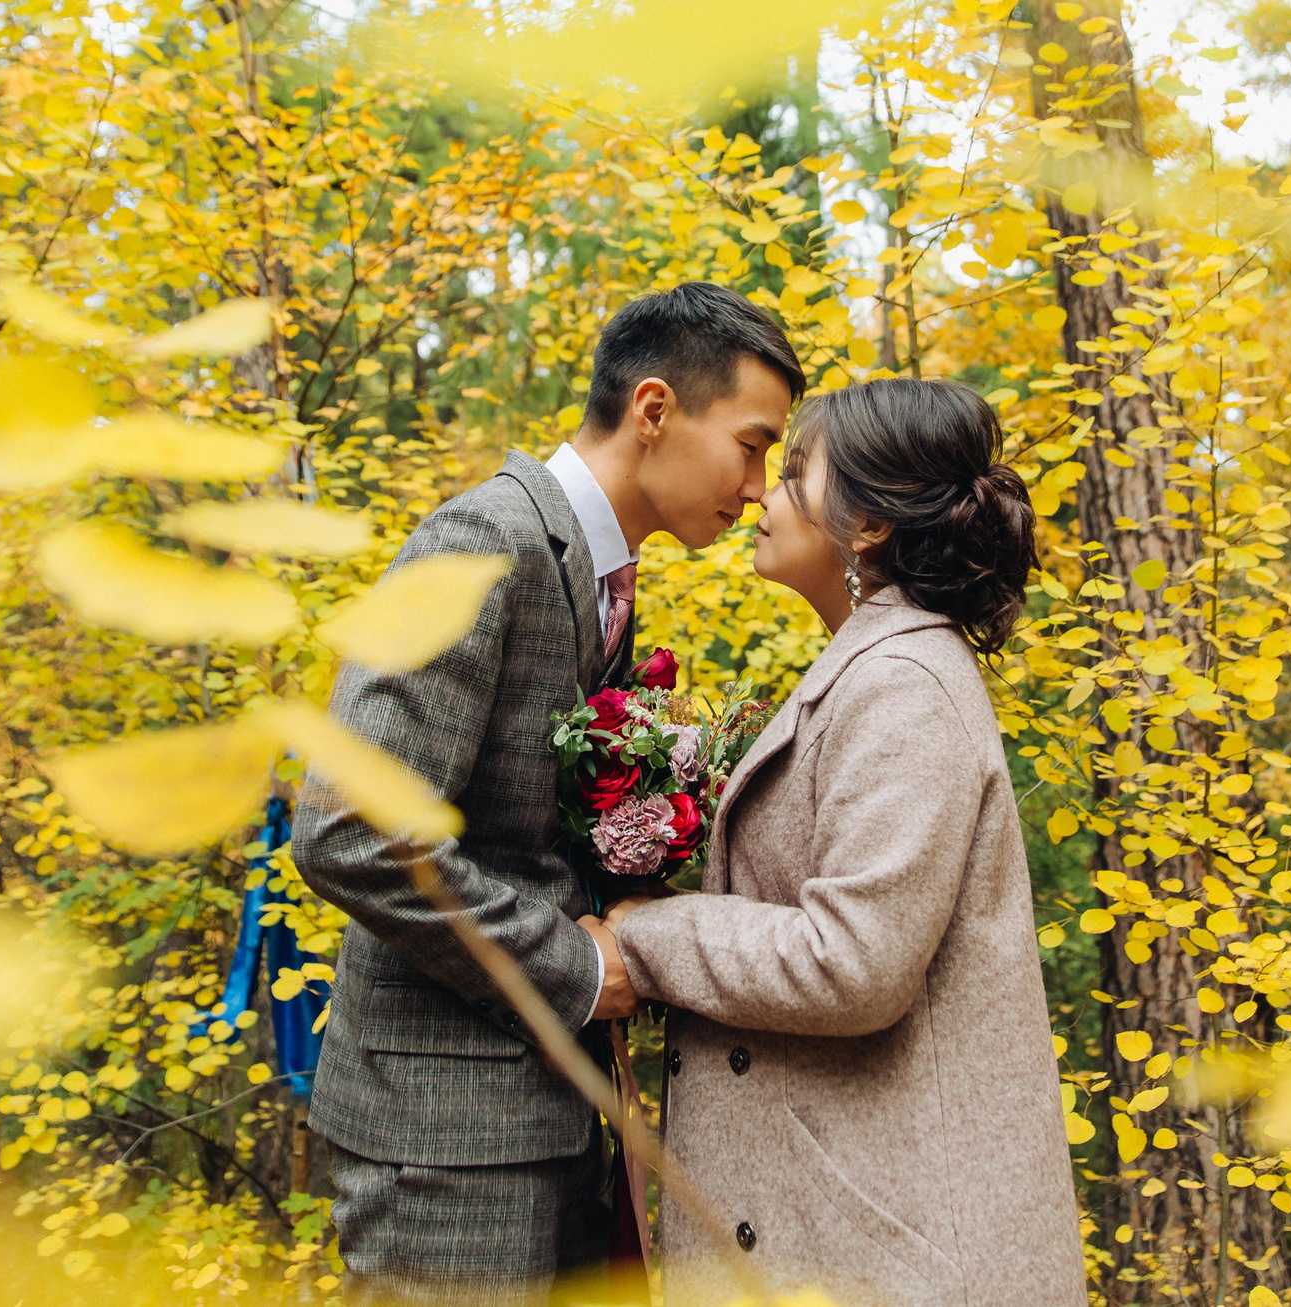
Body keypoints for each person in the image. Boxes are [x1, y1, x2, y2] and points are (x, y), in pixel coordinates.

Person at [291, 282, 804, 1306]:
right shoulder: (485, 542)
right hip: (443, 1146)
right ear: (653, 411)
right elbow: (348, 829)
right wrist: (569, 962)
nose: (756, 488)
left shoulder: (601, 573)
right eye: (751, 445)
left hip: (552, 1116)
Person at [597, 378, 1090, 1307]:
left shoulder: (904, 683)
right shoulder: (868, 670)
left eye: (792, 474)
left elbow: (855, 960)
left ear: (865, 526)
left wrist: (646, 939)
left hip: (897, 1248)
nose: (760, 496)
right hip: (839, 1229)